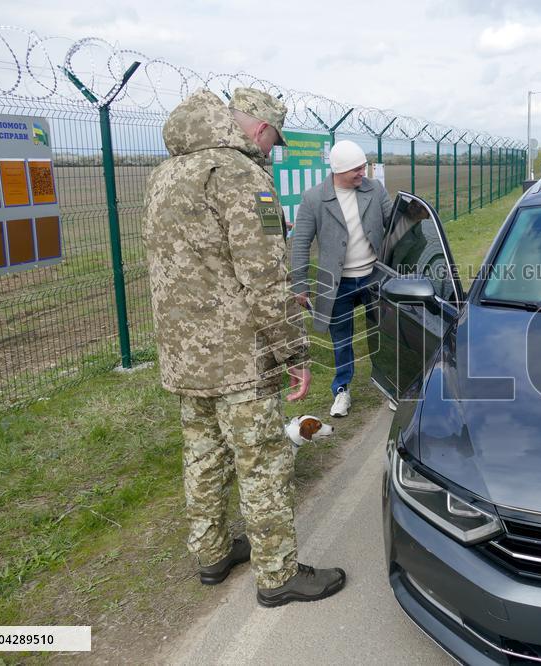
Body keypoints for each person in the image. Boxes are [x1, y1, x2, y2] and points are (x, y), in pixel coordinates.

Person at [143, 87, 346, 609]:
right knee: (262, 464)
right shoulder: (237, 174)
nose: (271, 151)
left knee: (203, 457)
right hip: (238, 359)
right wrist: (295, 354)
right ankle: (277, 575)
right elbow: (264, 277)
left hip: (184, 355)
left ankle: (211, 553)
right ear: (259, 128)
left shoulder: (164, 175)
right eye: (274, 141)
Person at [290, 140, 393, 418]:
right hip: (338, 284)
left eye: (363, 167)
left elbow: (395, 224)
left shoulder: (375, 190)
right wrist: (299, 284)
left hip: (373, 278)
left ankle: (390, 384)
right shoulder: (314, 199)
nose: (363, 173)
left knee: (384, 333)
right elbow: (300, 242)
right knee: (342, 339)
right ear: (338, 170)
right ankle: (342, 390)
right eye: (356, 170)